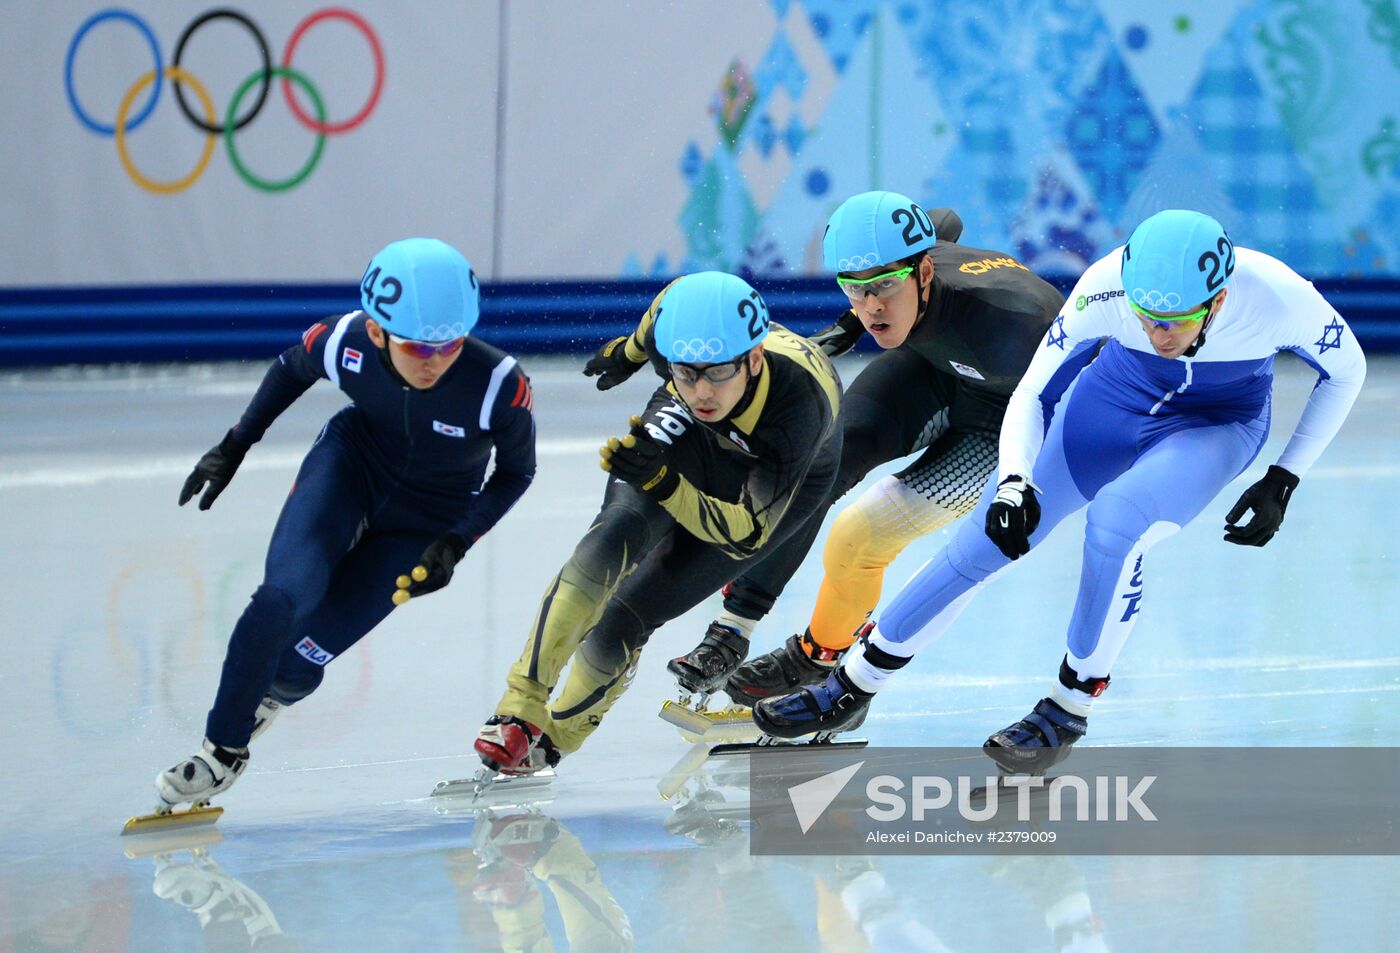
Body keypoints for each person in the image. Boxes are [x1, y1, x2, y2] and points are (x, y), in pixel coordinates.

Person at [753, 210, 1368, 771]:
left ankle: (1068, 705)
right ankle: (852, 686)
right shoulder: (1104, 285)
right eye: (1147, 318)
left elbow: (1347, 372)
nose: (1159, 335)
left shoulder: (1281, 297)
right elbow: (1034, 392)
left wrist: (1285, 477)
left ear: (1220, 299)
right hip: (1108, 407)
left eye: (1176, 323)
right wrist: (1014, 482)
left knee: (1116, 526)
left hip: (1214, 426)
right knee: (981, 544)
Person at [151, 238, 537, 811]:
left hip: (429, 518)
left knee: (301, 660)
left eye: (449, 344)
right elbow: (290, 368)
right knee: (283, 597)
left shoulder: (498, 384)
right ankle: (221, 751)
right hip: (351, 468)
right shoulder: (345, 339)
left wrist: (458, 540)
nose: (435, 360)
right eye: (416, 346)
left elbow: (516, 474)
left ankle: (271, 698)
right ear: (378, 331)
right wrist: (235, 445)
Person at [669, 191, 1063, 706]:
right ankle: (731, 630)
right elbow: (945, 218)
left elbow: (1087, 391)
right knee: (813, 466)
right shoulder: (915, 261)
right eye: (854, 290)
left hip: (1008, 417)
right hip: (931, 369)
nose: (871, 305)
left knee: (859, 536)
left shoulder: (1017, 321)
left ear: (925, 274)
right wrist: (852, 322)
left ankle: (818, 660)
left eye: (883, 289)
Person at [474, 271, 841, 774]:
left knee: (629, 612)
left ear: (754, 360)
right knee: (613, 535)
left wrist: (666, 484)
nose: (701, 390)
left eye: (716, 373)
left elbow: (744, 534)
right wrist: (628, 352)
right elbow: (665, 305)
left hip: (776, 476)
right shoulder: (683, 360)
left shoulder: (801, 405)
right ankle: (519, 706)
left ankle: (558, 737)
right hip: (694, 442)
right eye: (684, 372)